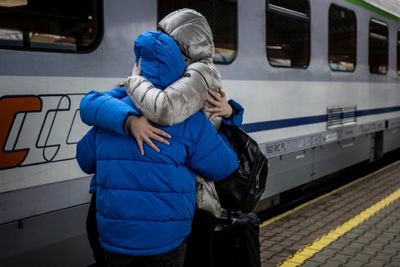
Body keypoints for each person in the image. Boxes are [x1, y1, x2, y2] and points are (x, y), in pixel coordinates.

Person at [80, 9, 244, 267]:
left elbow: (85, 157)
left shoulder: (120, 107)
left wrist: (130, 96)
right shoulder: (189, 122)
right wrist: (131, 120)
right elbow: (223, 165)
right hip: (170, 226)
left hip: (115, 227)